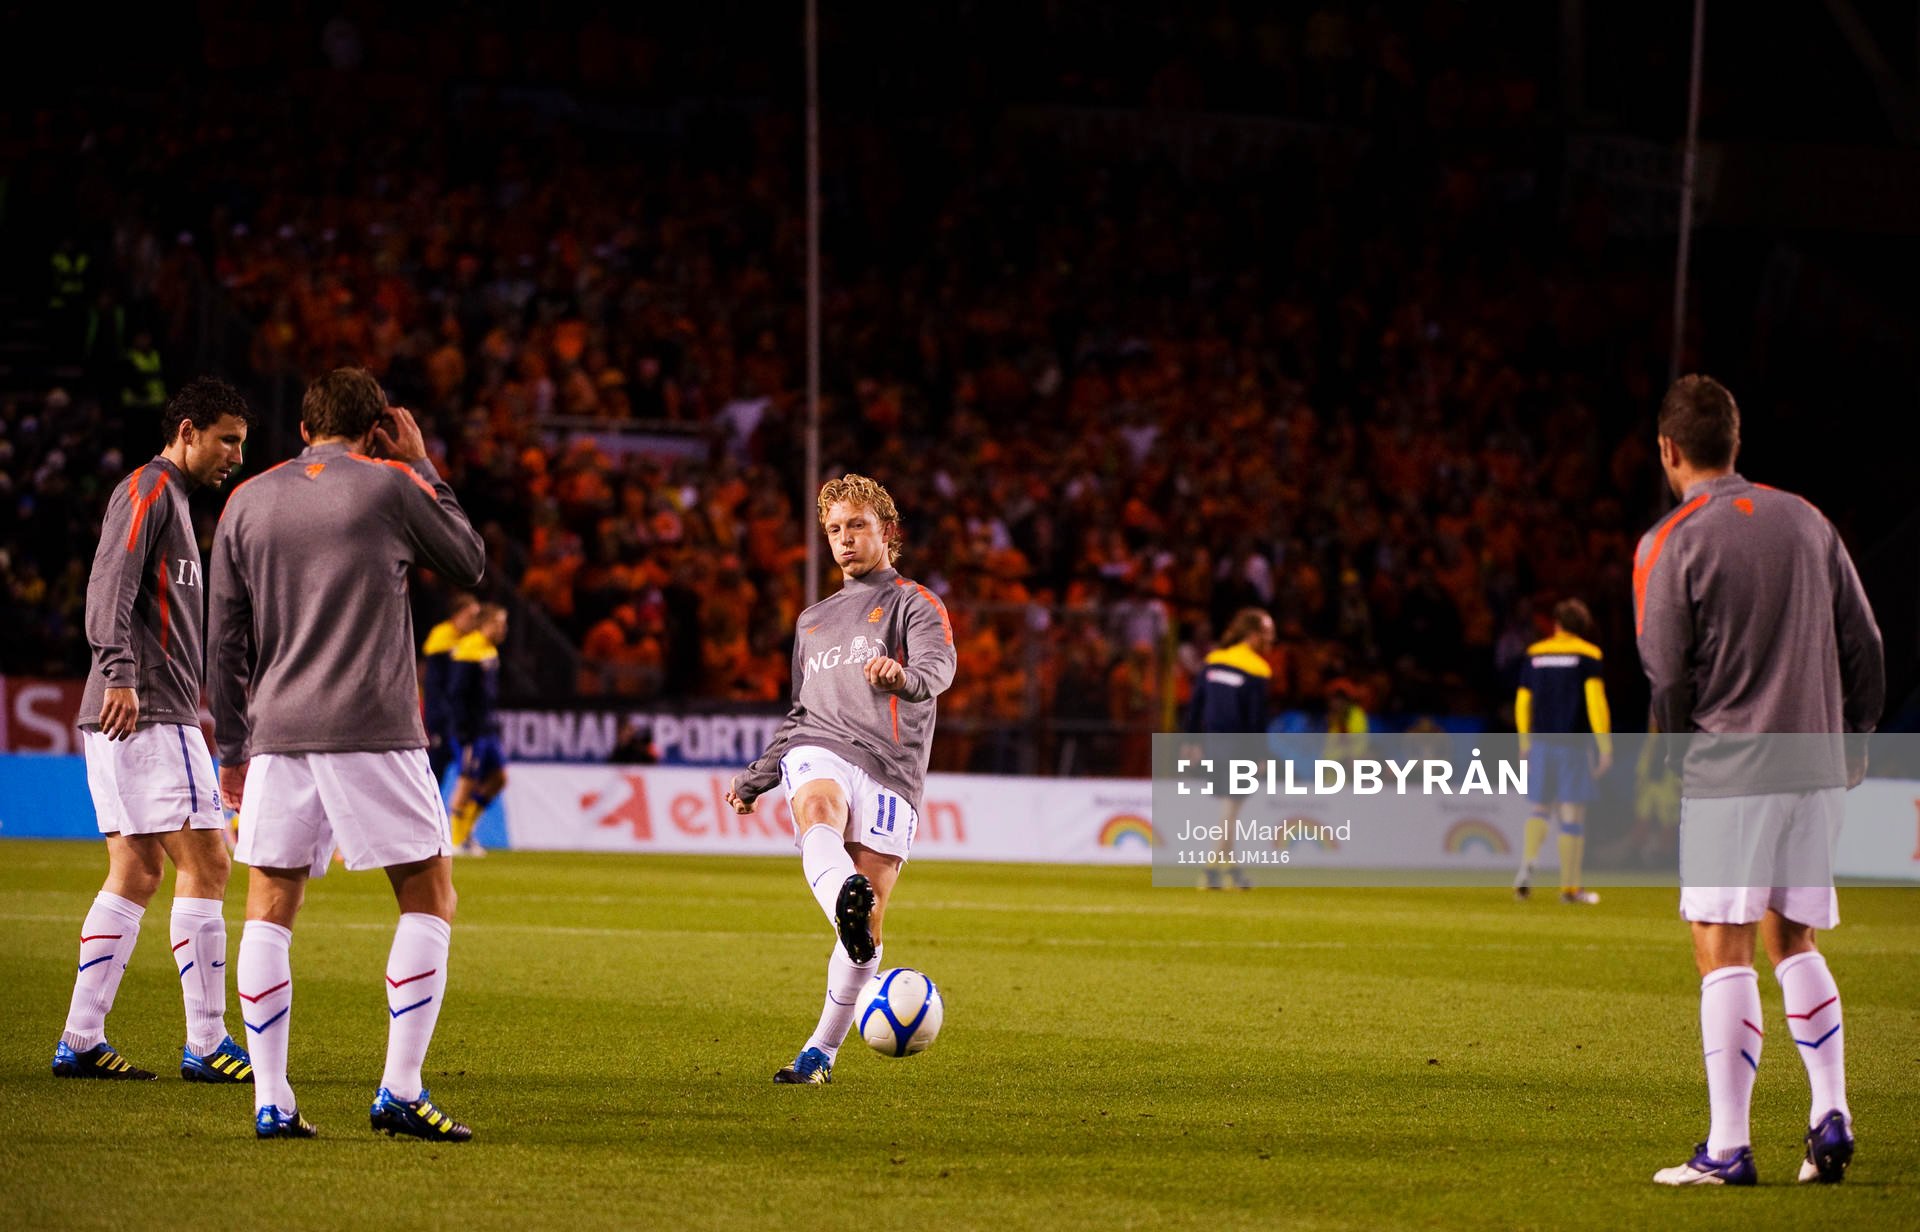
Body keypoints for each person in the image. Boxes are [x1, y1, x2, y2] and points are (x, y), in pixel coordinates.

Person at [208, 367, 486, 1140]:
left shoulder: (246, 500)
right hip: (374, 722)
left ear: (302, 429)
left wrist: (234, 746)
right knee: (429, 892)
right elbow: (468, 561)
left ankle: (272, 1097)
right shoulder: (389, 485)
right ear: (376, 431)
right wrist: (422, 463)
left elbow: (224, 639)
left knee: (270, 903)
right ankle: (399, 1089)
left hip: (277, 732)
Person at [1637, 376, 1882, 1187]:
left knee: (1723, 947)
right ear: (1734, 441)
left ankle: (1728, 1147)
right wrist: (1857, 739)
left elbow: (1667, 675)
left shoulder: (1670, 540)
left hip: (1730, 770)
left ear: (1670, 450)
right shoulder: (1808, 520)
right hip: (1813, 763)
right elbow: (1868, 644)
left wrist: (1670, 762)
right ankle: (1829, 1115)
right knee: (1795, 939)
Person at [724, 474, 957, 1085]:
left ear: (886, 532)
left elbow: (939, 667)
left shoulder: (914, 602)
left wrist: (903, 677)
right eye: (834, 529)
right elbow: (802, 710)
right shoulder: (812, 622)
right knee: (818, 805)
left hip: (890, 766)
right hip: (820, 747)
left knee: (867, 931)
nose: (845, 539)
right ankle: (842, 900)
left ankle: (820, 1054)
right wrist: (760, 774)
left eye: (857, 525)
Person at [55, 377, 255, 1084]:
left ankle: (81, 1038)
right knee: (211, 864)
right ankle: (206, 1043)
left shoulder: (171, 501)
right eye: (227, 438)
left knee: (137, 871)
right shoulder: (149, 489)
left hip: (129, 714)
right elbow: (109, 579)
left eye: (243, 441)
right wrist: (119, 671)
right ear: (189, 430)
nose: (235, 453)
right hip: (146, 710)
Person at [1511, 597, 1612, 905]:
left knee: (1539, 808)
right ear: (1582, 628)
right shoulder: (1587, 655)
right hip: (1573, 744)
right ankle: (1569, 888)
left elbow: (1522, 702)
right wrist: (1604, 746)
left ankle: (1528, 863)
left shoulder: (1535, 654)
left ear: (1556, 624)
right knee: (1572, 814)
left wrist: (1524, 743)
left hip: (1541, 742)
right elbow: (1595, 703)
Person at [1183, 606, 1275, 889]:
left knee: (1229, 807)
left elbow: (1195, 705)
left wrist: (1190, 741)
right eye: (1268, 632)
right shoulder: (1258, 668)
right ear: (1253, 634)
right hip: (1240, 747)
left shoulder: (1213, 660)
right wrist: (1260, 754)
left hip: (1213, 743)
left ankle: (1231, 870)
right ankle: (1210, 869)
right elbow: (1256, 718)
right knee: (1232, 809)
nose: (1272, 639)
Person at [448, 603, 509, 857]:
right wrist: (463, 729)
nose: (503, 628)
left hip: (487, 729)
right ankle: (454, 837)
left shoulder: (489, 651)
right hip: (471, 730)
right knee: (466, 779)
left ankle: (467, 829)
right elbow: (456, 693)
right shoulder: (469, 649)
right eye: (498, 623)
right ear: (485, 624)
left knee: (499, 778)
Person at [420, 592, 481, 790]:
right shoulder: (441, 638)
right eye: (470, 616)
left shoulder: (472, 641)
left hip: (461, 719)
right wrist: (437, 721)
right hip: (443, 719)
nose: (474, 622)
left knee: (474, 771)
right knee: (436, 769)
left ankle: (459, 816)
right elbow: (434, 687)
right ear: (456, 615)